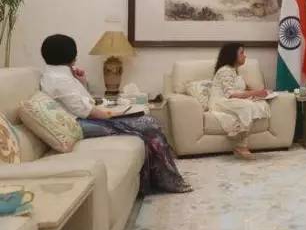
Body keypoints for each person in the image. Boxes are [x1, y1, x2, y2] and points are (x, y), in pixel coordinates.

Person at [39, 34, 192, 194]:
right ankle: (169, 180)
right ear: (71, 54)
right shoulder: (60, 79)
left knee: (144, 122)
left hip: (83, 119)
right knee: (148, 124)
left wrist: (81, 81)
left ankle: (156, 179)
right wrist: (113, 116)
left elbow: (83, 102)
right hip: (80, 124)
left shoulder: (58, 75)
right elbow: (86, 111)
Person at [209, 43, 271, 160]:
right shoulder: (225, 70)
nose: (245, 56)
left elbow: (242, 90)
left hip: (232, 100)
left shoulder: (234, 71)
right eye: (242, 53)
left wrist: (257, 94)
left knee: (260, 104)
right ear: (233, 55)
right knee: (247, 106)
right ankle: (241, 145)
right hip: (221, 102)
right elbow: (231, 94)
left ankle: (240, 140)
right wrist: (256, 93)